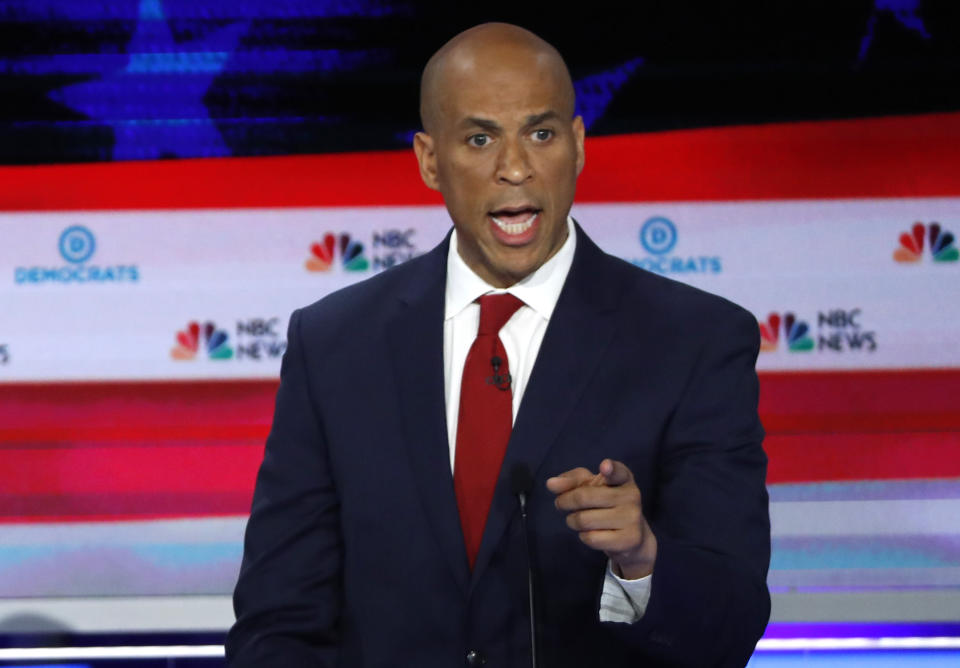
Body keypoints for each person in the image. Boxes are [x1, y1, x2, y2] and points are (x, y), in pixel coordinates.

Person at [226, 23, 770, 668]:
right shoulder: (335, 345)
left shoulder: (694, 341)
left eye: (540, 134)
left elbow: (731, 626)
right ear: (430, 160)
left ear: (576, 144)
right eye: (480, 139)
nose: (515, 168)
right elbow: (278, 619)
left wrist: (642, 559)